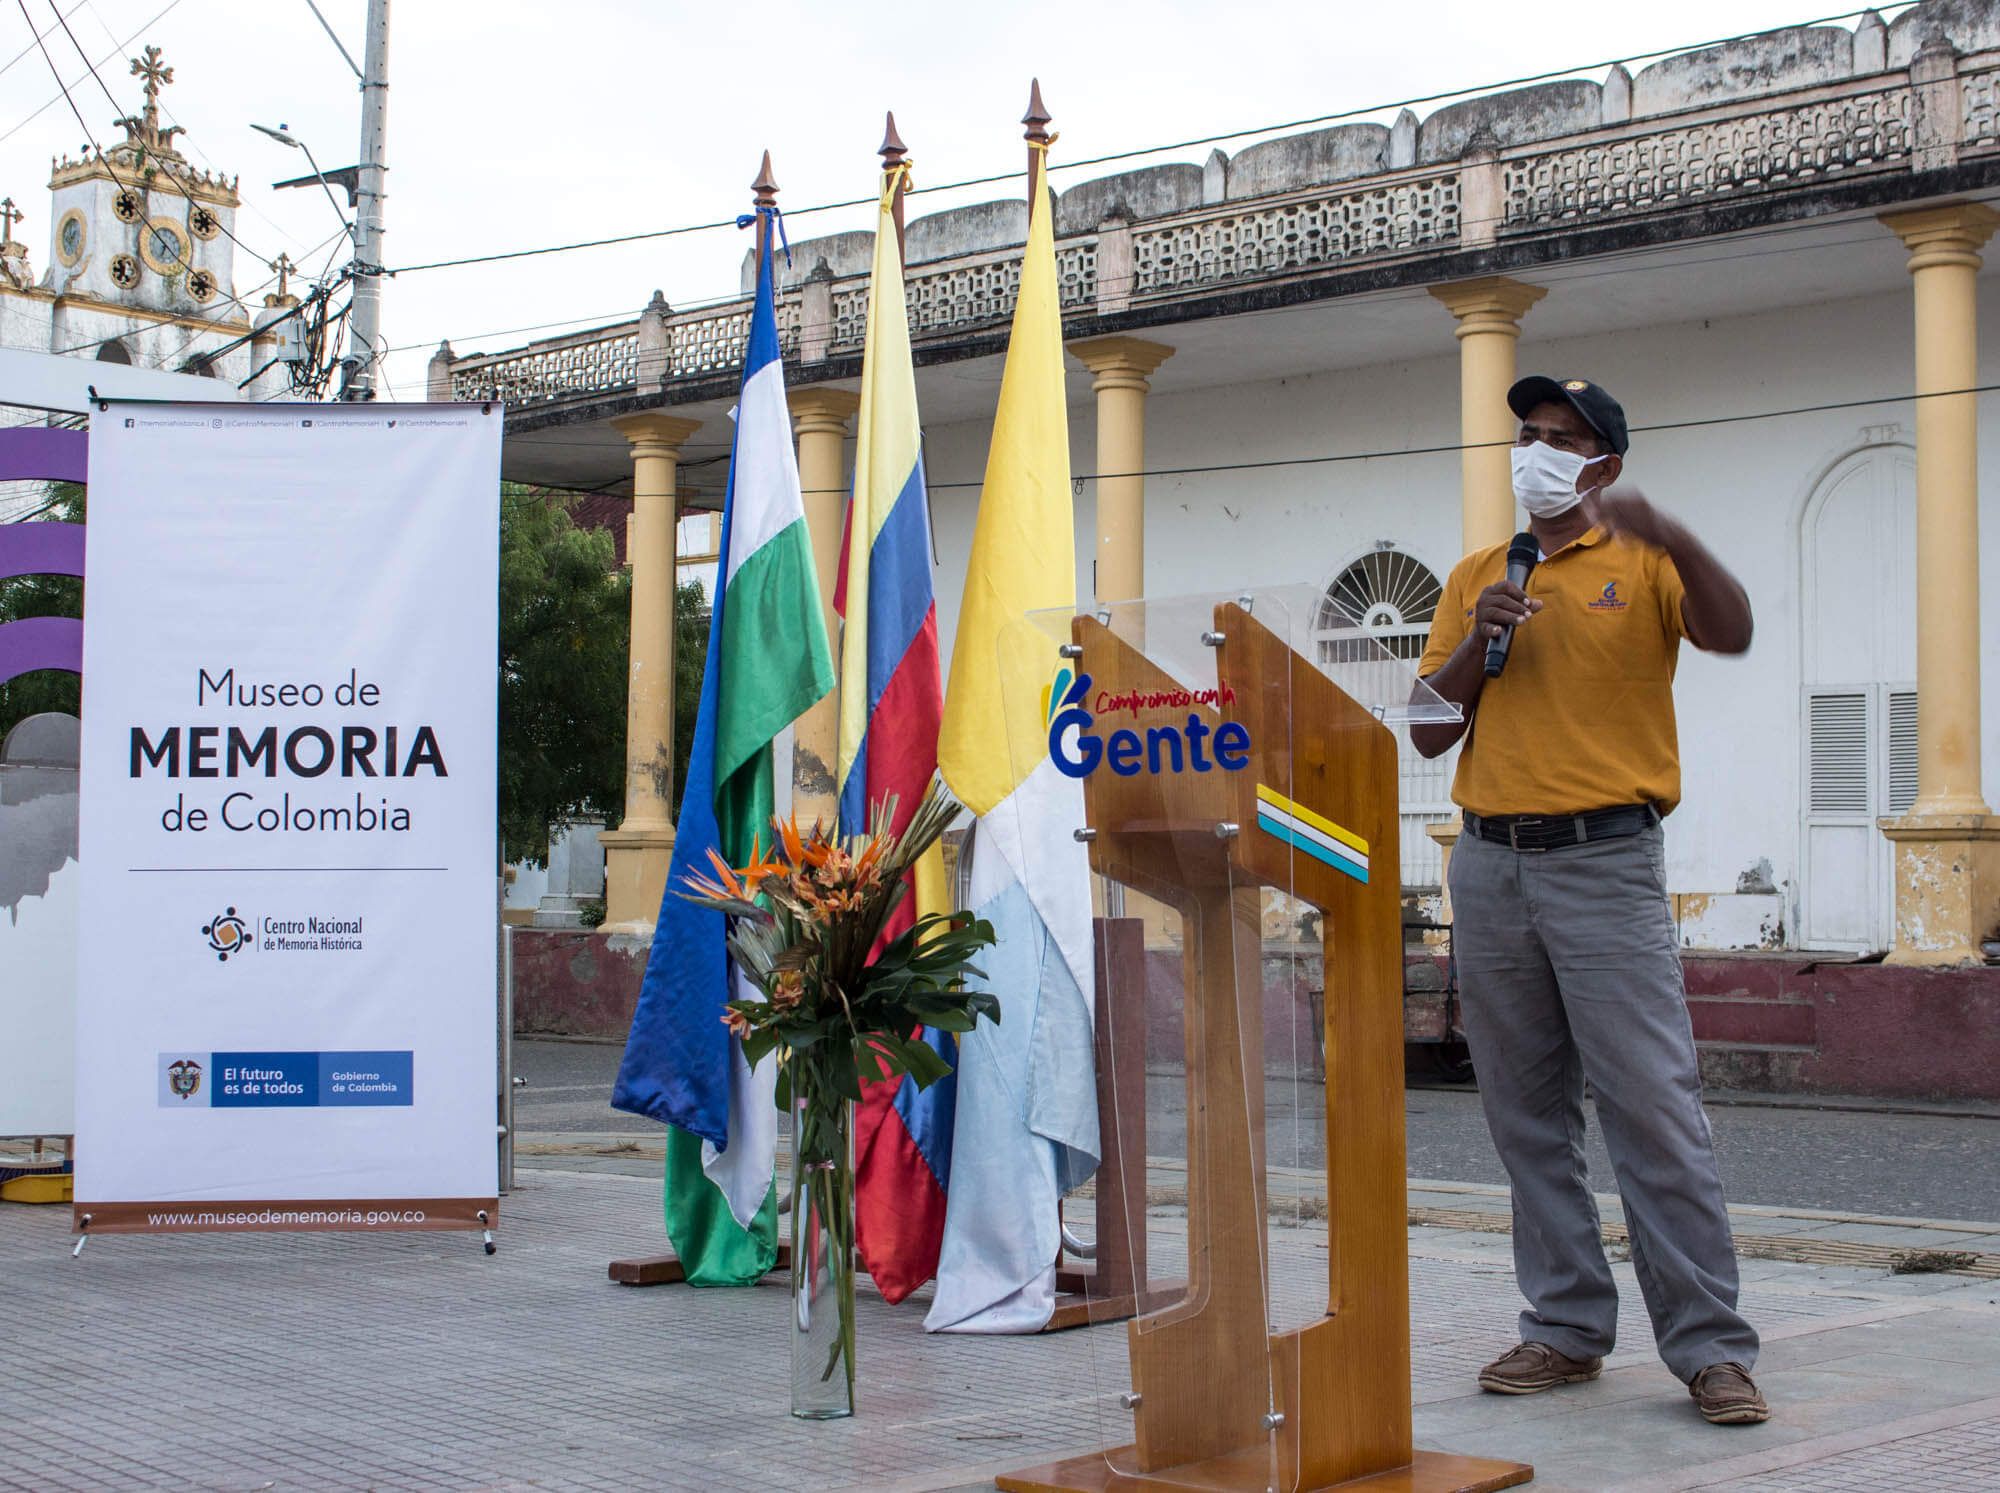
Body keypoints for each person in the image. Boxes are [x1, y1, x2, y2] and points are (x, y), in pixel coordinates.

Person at [1412, 375, 1769, 1426]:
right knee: (1524, 1115)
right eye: (1526, 434)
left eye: (1560, 438)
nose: (1536, 451)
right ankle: (1564, 1326)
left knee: (1650, 1108)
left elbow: (1732, 629)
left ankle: (1709, 1347)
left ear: (1603, 465)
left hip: (1603, 859)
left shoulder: (1644, 562)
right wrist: (1481, 637)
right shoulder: (1480, 571)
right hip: (1487, 862)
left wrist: (1679, 538)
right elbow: (1429, 731)